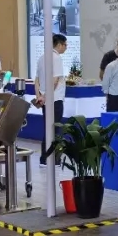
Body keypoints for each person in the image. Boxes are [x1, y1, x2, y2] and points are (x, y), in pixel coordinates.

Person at [36, 34, 68, 165]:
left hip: (45, 100)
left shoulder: (42, 57)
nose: (66, 47)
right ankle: (53, 159)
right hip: (55, 99)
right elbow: (55, 80)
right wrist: (45, 96)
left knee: (48, 129)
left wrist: (40, 96)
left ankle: (44, 158)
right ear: (59, 44)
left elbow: (37, 80)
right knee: (56, 129)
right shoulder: (56, 58)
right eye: (65, 45)